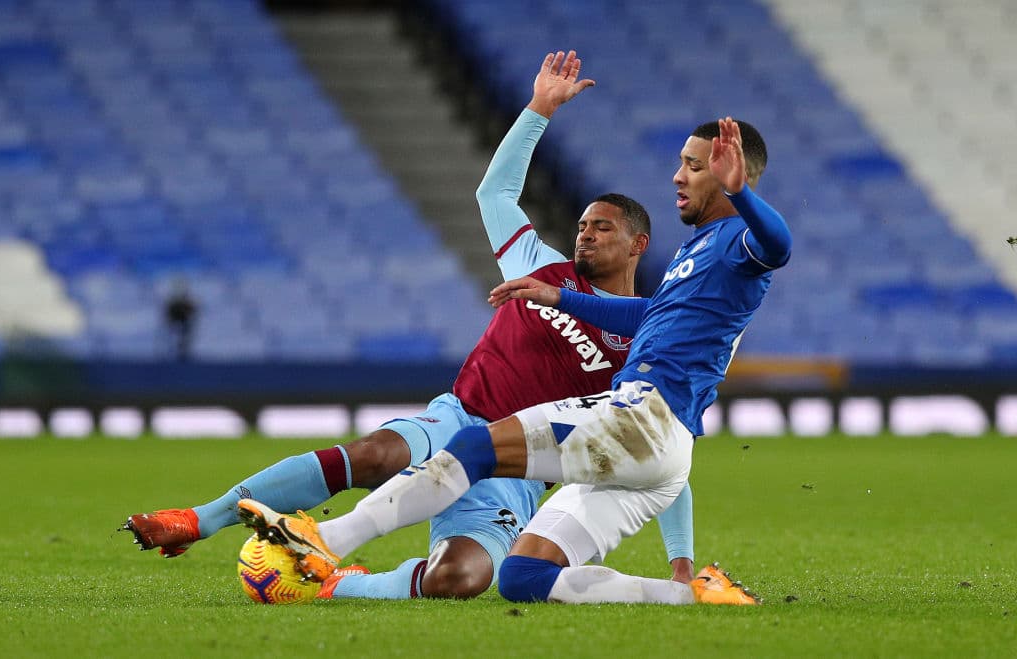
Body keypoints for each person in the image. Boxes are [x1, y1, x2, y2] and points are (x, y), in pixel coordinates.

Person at [124, 50, 698, 599]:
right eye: (582, 225)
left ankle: (334, 583)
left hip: (515, 470)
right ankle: (197, 520)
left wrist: (681, 561)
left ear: (638, 245)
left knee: (461, 580)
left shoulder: (643, 339)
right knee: (376, 454)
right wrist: (539, 110)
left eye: (601, 228)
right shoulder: (539, 266)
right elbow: (494, 193)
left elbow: (658, 447)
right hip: (460, 419)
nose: (585, 234)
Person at [237, 51, 790, 606]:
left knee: (476, 445)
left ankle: (322, 539)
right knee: (524, 577)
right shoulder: (692, 255)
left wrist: (742, 194)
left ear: (729, 172)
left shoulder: (739, 241)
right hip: (661, 448)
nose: (678, 175)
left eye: (695, 166)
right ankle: (694, 596)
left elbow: (778, 247)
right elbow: (651, 315)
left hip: (642, 419)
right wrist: (560, 296)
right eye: (682, 163)